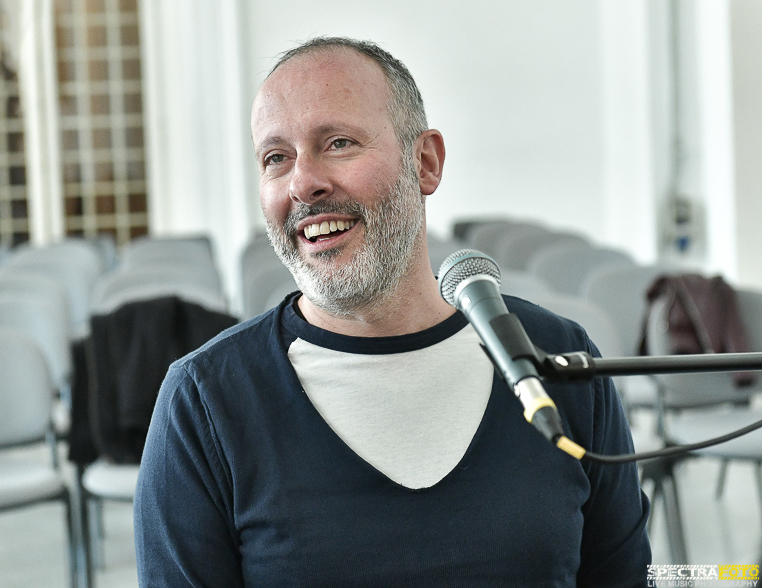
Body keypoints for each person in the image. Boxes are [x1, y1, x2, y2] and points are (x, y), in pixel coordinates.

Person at [134, 37, 651, 586]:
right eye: (275, 158)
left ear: (425, 163)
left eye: (338, 143)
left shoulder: (555, 360)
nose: (303, 183)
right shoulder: (207, 400)